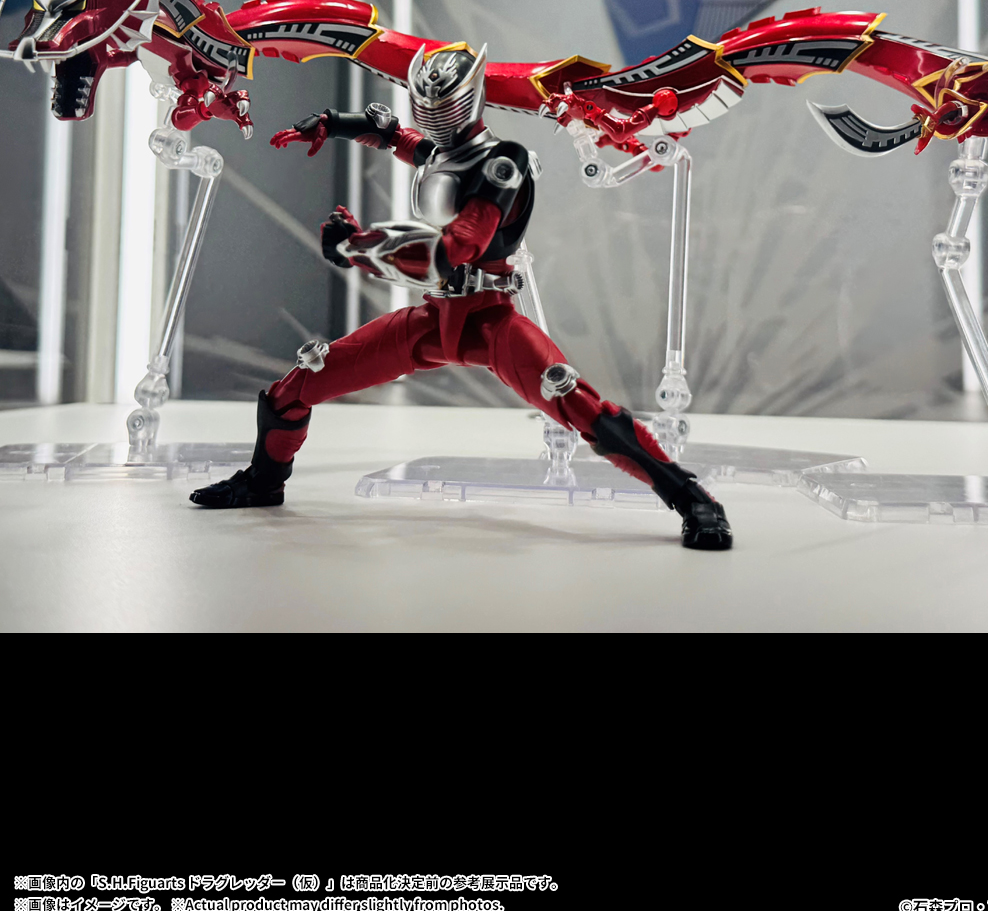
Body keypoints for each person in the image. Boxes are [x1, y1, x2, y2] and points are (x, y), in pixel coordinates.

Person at [189, 42, 732, 551]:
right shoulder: (439, 155)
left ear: (469, 97)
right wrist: (335, 123)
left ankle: (694, 500)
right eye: (425, 104)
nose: (433, 116)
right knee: (297, 385)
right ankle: (262, 482)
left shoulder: (503, 163)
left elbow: (454, 250)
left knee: (579, 406)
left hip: (489, 322)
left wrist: (356, 245)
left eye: (442, 104)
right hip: (434, 318)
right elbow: (395, 137)